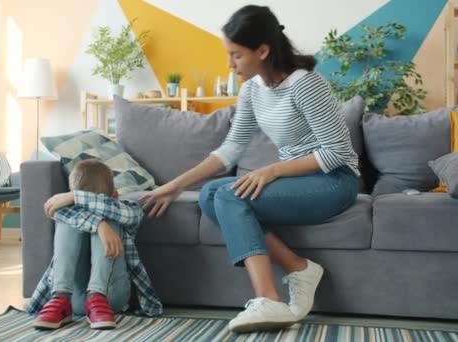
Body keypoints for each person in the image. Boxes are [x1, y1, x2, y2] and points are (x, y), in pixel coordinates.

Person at [141, 5, 359, 333]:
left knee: (229, 195)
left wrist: (272, 171)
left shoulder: (305, 84)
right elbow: (230, 149)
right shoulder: (253, 91)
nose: (229, 64)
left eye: (236, 55)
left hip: (334, 180)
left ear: (263, 50)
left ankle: (268, 299)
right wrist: (174, 186)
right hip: (299, 180)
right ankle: (299, 268)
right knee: (210, 195)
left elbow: (337, 152)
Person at [27, 159, 162, 330]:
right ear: (115, 194)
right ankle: (60, 298)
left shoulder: (126, 209)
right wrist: (99, 225)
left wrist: (76, 197)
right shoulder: (65, 210)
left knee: (110, 216)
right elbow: (53, 209)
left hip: (111, 296)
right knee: (71, 220)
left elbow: (128, 215)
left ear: (115, 196)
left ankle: (97, 296)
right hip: (72, 298)